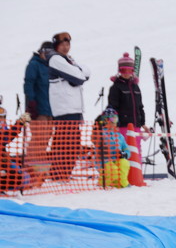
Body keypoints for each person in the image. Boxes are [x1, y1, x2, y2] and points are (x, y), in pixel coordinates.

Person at [47, 31, 91, 181]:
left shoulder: (68, 59)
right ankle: (59, 174)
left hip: (73, 107)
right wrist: (78, 73)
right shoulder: (55, 59)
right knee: (65, 142)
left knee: (72, 142)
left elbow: (86, 71)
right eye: (63, 44)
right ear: (56, 46)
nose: (66, 47)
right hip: (64, 108)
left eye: (68, 44)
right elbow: (79, 77)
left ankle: (64, 173)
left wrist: (77, 73)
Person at [108, 52, 148, 156]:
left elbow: (140, 107)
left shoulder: (136, 87)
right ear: (119, 71)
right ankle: (125, 172)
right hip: (122, 126)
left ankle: (137, 172)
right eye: (123, 70)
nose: (126, 73)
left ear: (132, 71)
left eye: (129, 70)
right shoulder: (115, 87)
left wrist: (142, 123)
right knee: (125, 151)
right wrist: (114, 124)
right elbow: (112, 108)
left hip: (136, 126)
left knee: (137, 151)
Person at [23, 41, 53, 178]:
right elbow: (29, 83)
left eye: (49, 54)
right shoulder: (34, 64)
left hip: (49, 108)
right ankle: (30, 166)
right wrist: (31, 102)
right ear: (41, 51)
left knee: (46, 137)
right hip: (38, 108)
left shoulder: (50, 66)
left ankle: (39, 169)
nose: (46, 55)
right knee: (38, 137)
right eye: (45, 52)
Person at [0, 111, 39, 194]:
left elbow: (7, 136)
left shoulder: (2, 127)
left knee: (22, 176)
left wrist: (19, 123)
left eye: (3, 117)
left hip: (3, 160)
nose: (2, 120)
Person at [92, 108, 130, 188]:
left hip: (116, 160)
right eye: (111, 119)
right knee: (113, 172)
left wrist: (124, 154)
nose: (113, 122)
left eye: (115, 119)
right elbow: (94, 139)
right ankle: (101, 184)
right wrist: (97, 128)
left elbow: (126, 150)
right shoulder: (101, 133)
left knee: (124, 163)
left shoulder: (119, 136)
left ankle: (122, 183)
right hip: (104, 161)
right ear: (105, 120)